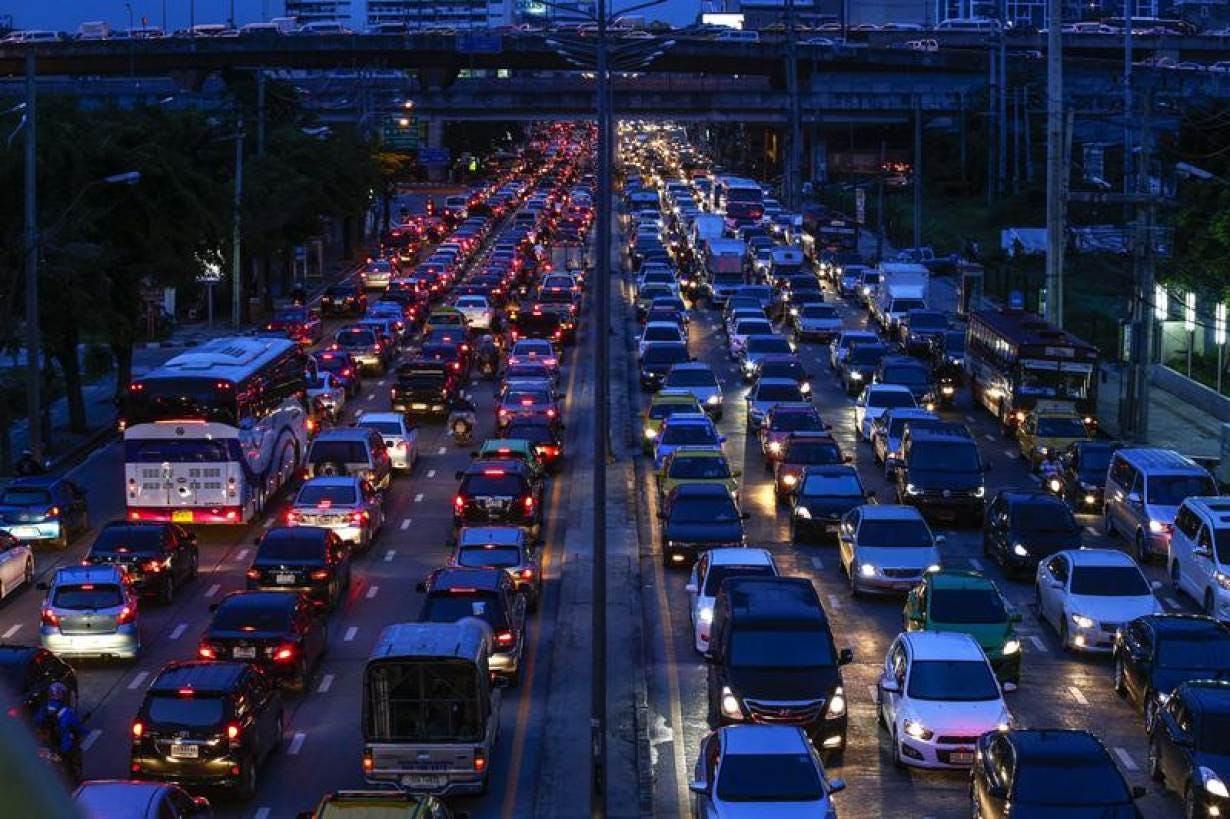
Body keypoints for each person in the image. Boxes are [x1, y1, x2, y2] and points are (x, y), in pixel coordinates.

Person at [39, 682, 82, 783]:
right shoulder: (66, 710)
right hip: (57, 744)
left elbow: (37, 719)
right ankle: (72, 772)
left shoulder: (45, 708)